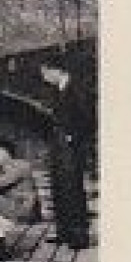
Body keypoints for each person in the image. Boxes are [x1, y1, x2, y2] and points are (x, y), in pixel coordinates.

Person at [41, 62, 93, 250]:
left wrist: (73, 137)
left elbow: (89, 118)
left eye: (46, 73)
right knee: (59, 187)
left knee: (73, 189)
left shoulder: (77, 89)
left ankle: (79, 235)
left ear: (57, 70)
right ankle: (64, 232)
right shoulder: (57, 89)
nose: (44, 77)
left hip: (71, 147)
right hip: (58, 146)